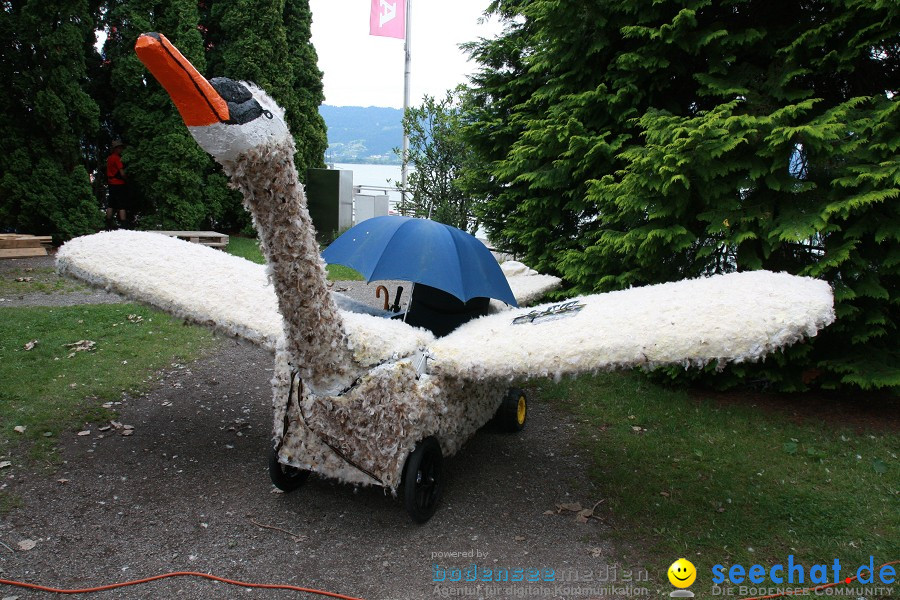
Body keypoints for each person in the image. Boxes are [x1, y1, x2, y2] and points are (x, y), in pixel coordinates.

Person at [106, 140, 130, 229]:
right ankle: (124, 224)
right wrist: (127, 180)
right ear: (115, 149)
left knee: (110, 204)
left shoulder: (109, 158)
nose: (121, 149)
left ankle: (108, 223)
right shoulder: (117, 158)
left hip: (111, 183)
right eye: (119, 148)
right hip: (119, 183)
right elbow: (122, 173)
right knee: (121, 204)